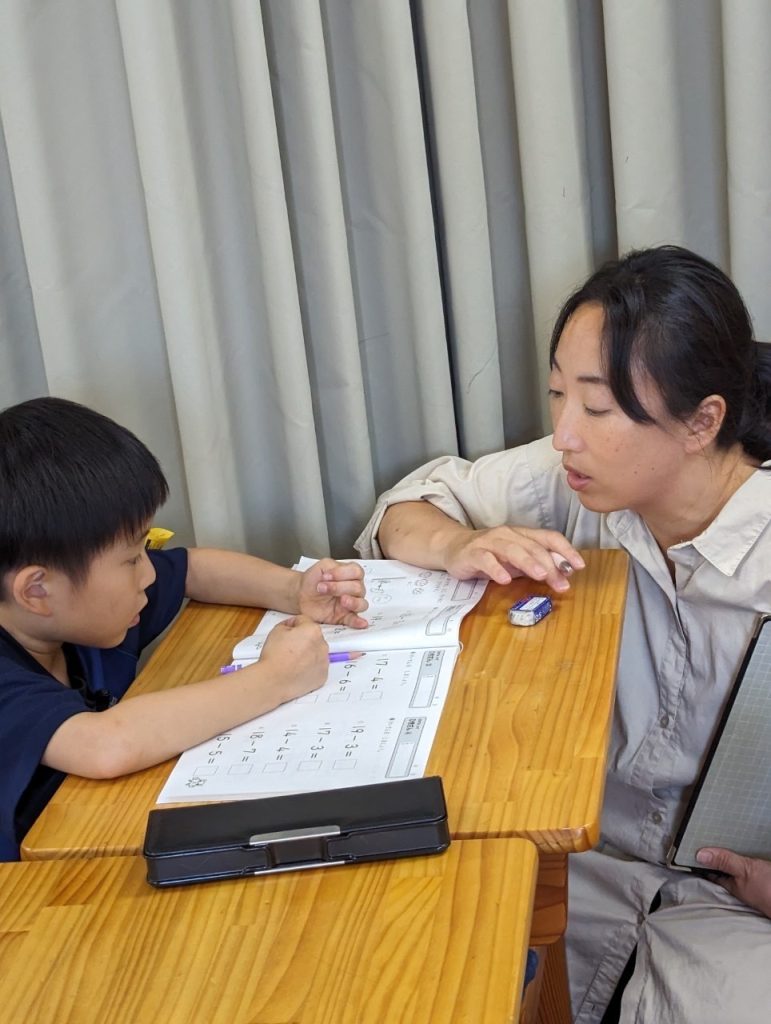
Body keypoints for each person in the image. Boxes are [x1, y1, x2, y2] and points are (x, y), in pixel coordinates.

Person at [355, 245, 771, 1024]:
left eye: (597, 409)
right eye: (557, 396)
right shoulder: (571, 486)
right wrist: (457, 545)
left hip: (737, 906)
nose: (562, 435)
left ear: (702, 420)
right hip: (576, 867)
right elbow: (403, 510)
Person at [0, 396, 368, 861]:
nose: (148, 574)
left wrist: (294, 590)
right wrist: (276, 678)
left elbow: (194, 568)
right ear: (36, 590)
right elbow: (105, 745)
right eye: (132, 559)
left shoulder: (74, 609)